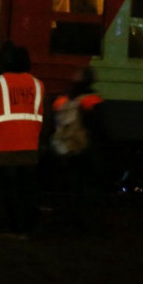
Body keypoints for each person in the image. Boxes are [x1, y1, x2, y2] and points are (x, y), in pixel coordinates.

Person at [0, 46, 44, 237]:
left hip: (4, 147)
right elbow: (41, 116)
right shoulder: (38, 85)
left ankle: (16, 228)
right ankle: (28, 227)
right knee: (27, 190)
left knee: (10, 190)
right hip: (30, 146)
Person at [51, 66, 104, 227]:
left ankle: (68, 216)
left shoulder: (63, 100)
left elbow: (54, 122)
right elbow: (99, 128)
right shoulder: (93, 100)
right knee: (84, 185)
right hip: (84, 148)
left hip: (65, 146)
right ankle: (82, 220)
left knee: (70, 184)